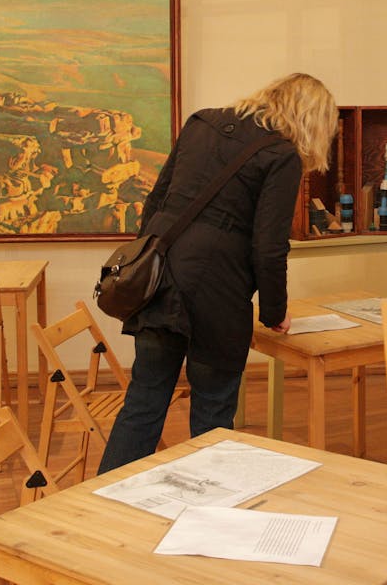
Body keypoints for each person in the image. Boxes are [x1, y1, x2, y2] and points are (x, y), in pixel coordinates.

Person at [97, 72, 339, 472]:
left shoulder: (202, 123)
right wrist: (274, 312)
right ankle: (205, 512)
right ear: (311, 119)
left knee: (143, 401)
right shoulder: (281, 156)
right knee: (213, 413)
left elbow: (157, 200)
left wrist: (149, 264)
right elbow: (269, 247)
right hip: (218, 294)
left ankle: (103, 506)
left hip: (161, 280)